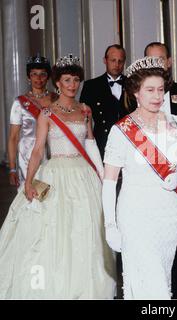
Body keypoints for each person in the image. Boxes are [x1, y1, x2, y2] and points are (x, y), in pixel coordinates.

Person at [0, 54, 116, 299]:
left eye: (75, 80)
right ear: (58, 84)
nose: (72, 85)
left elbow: (91, 144)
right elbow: (38, 150)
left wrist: (105, 176)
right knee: (52, 233)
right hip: (55, 174)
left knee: (87, 233)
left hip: (83, 174)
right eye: (67, 80)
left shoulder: (85, 110)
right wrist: (28, 181)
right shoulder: (47, 113)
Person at [102, 56, 177, 299]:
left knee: (162, 278)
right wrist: (110, 224)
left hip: (167, 215)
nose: (157, 96)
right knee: (152, 286)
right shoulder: (121, 131)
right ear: (136, 92)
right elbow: (109, 182)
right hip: (135, 215)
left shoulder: (173, 124)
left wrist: (176, 177)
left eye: (161, 90)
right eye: (150, 90)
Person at [144, 42, 177, 299]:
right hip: (147, 174)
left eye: (160, 59)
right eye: (151, 60)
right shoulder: (134, 94)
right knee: (151, 233)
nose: (156, 64)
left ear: (170, 61)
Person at [8, 54, 56, 189]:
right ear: (28, 77)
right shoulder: (20, 103)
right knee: (30, 196)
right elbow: (13, 137)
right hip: (27, 156)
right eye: (34, 74)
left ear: (48, 77)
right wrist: (12, 168)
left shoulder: (56, 99)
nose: (38, 78)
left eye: (43, 74)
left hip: (52, 154)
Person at [80, 44, 132, 159]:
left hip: (129, 143)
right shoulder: (91, 86)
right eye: (113, 60)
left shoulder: (133, 85)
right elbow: (83, 120)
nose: (117, 65)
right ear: (105, 60)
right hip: (102, 144)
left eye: (120, 61)